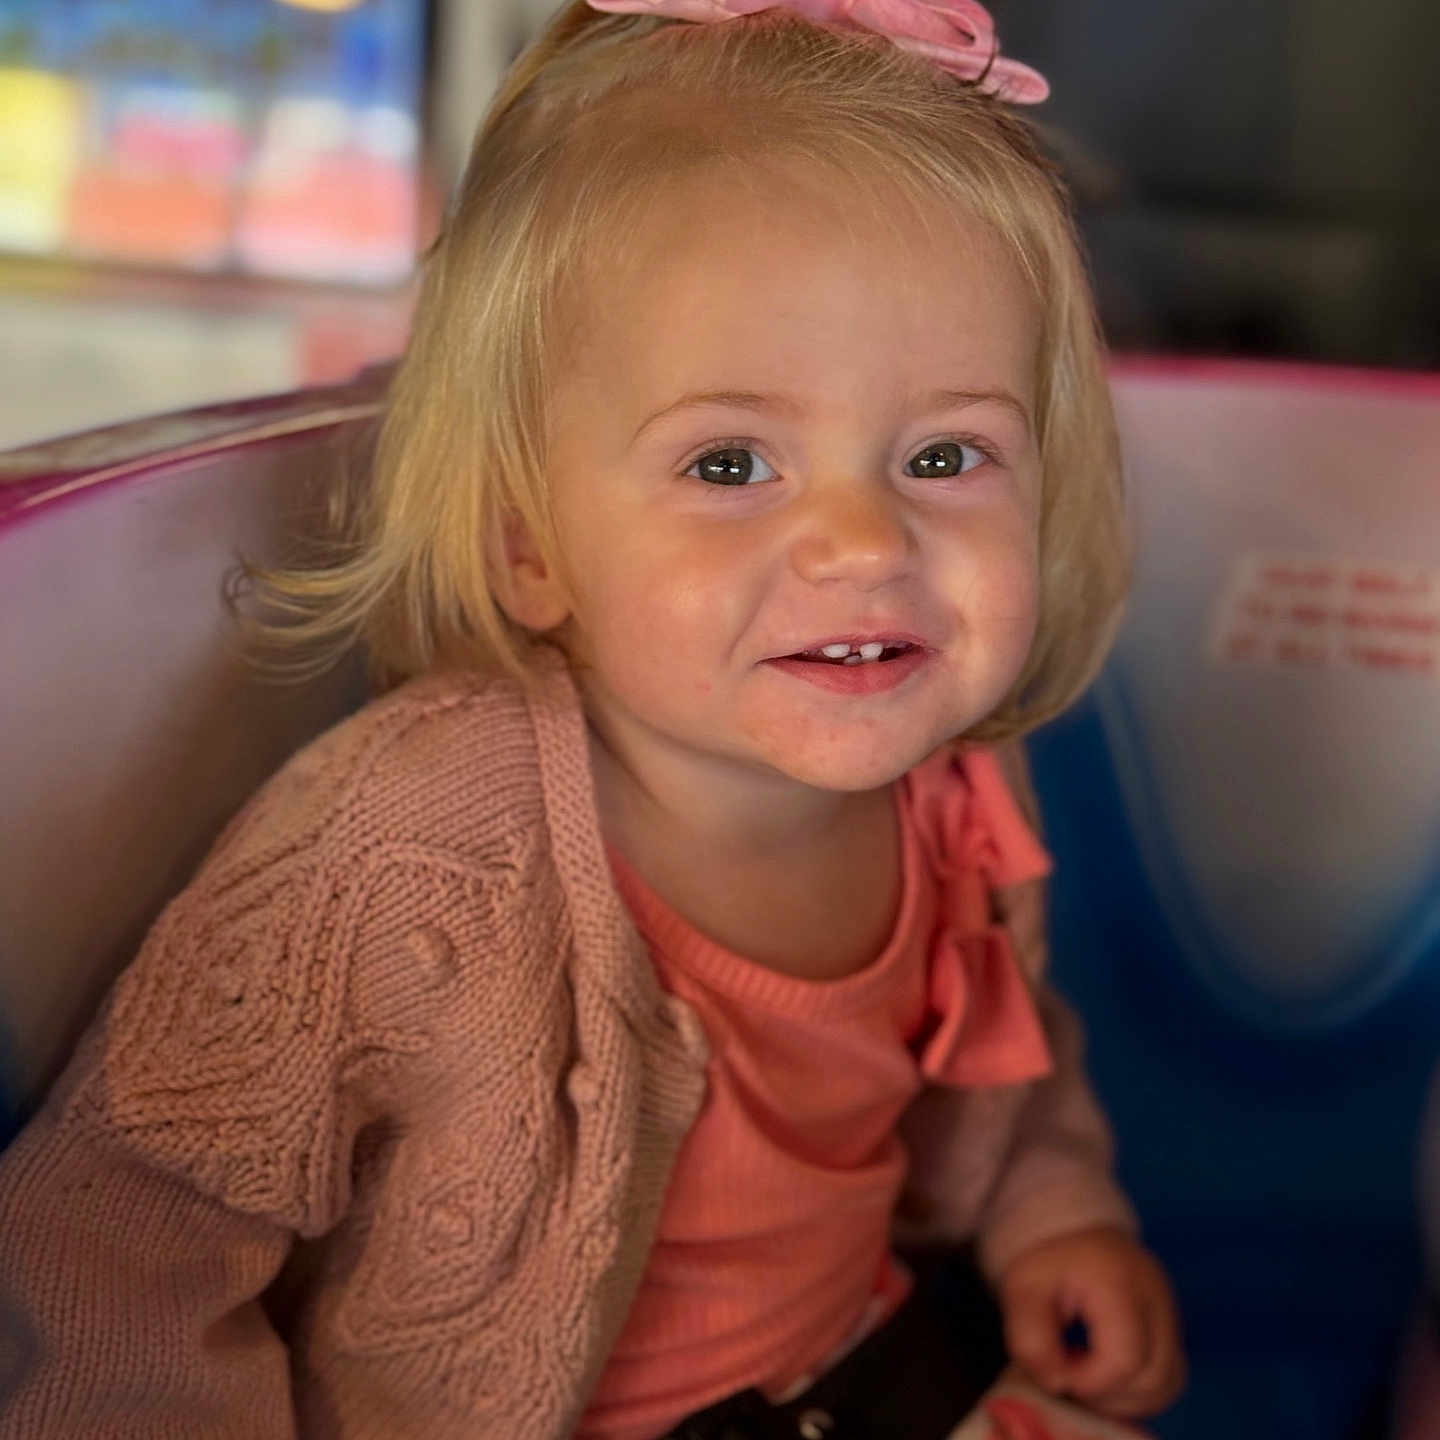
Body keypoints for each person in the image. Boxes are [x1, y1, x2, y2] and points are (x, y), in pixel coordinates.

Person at [0, 3, 1186, 1437]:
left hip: (871, 1369)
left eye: (945, 455)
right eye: (731, 463)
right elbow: (126, 1234)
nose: (866, 542)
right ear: (529, 545)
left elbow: (1011, 1048)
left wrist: (1056, 1217)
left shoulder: (952, 787)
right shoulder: (409, 844)